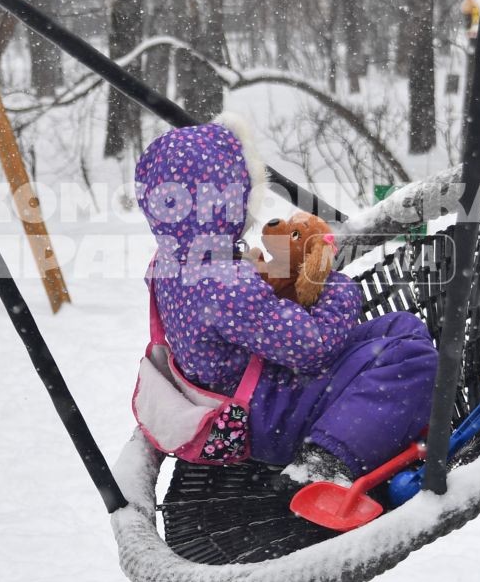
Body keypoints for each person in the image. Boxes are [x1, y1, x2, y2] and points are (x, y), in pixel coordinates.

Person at [134, 121, 438, 485]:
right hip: (267, 415)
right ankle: (325, 460)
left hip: (252, 383)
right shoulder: (224, 283)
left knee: (400, 327)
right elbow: (314, 347)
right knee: (413, 358)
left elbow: (249, 323)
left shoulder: (172, 260)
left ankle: (387, 416)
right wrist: (338, 289)